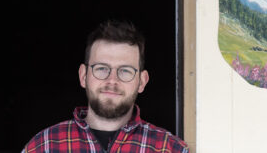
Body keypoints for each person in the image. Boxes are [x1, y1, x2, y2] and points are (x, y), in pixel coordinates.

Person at [22, 20, 189, 153]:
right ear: (83, 76)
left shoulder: (170, 149)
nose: (112, 80)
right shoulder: (44, 146)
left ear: (142, 81)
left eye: (125, 70)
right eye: (101, 68)